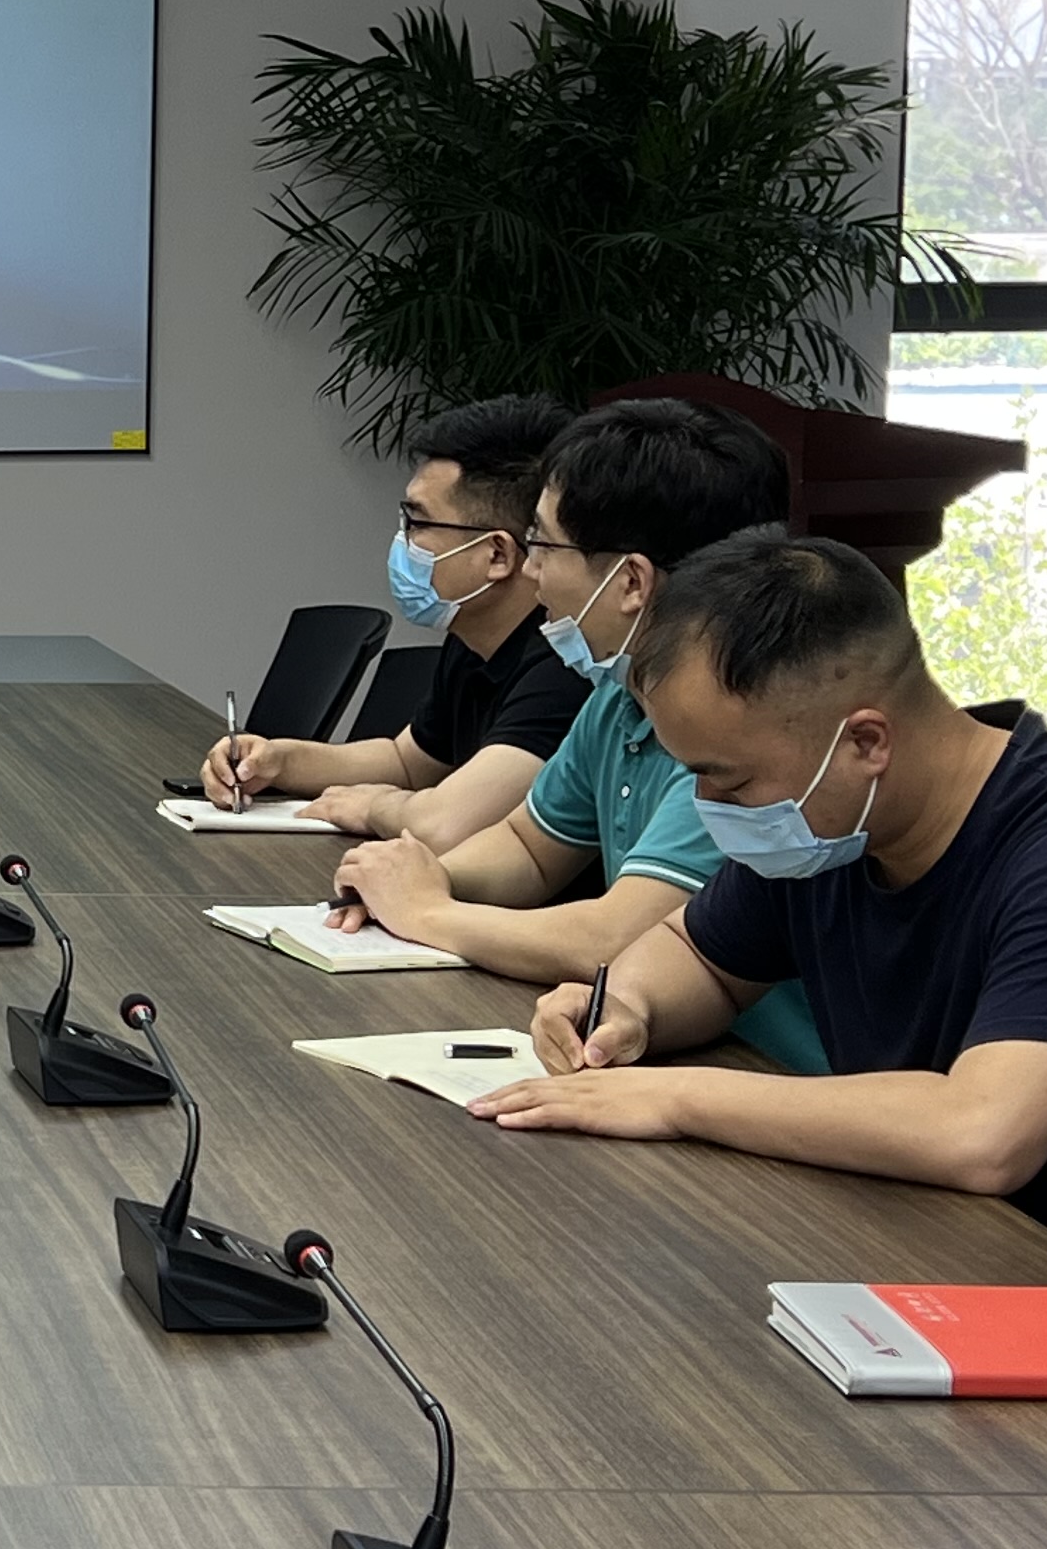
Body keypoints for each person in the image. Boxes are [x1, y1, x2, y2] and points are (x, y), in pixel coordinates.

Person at [471, 533, 1047, 1375]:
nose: (709, 806)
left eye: (725, 779)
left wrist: (672, 1096)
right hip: (948, 1271)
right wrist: (622, 1007)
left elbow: (982, 1133)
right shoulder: (835, 826)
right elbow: (697, 957)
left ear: (865, 742)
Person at [325, 396, 829, 1073]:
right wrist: (415, 879)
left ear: (630, 581)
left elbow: (616, 935)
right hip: (659, 1047)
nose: (530, 571)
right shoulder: (620, 694)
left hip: (770, 1071)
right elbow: (529, 849)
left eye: (543, 546)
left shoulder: (743, 733)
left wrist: (429, 913)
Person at [207, 394, 586, 847]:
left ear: (497, 555)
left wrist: (373, 807)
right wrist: (276, 760)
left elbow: (447, 822)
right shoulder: (475, 637)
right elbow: (406, 762)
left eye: (417, 524)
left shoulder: (565, 666)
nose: (403, 541)